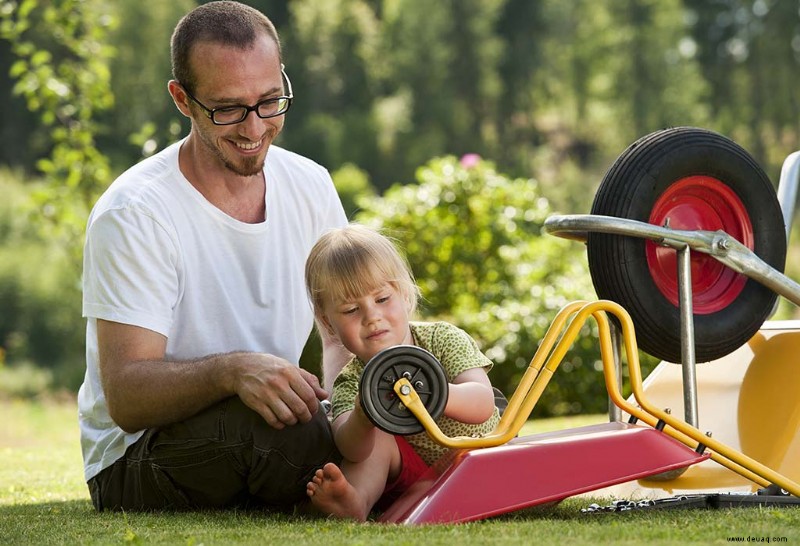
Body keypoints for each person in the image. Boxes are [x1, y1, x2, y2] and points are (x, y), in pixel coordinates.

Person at [78, 1, 351, 511]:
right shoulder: (135, 212)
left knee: (425, 398)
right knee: (274, 435)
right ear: (182, 99)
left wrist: (353, 403)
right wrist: (232, 372)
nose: (254, 129)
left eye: (270, 101)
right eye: (227, 109)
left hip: (279, 423)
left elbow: (341, 332)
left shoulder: (311, 184)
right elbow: (127, 397)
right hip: (139, 454)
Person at [303, 224, 501, 521]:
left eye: (382, 299)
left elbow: (483, 404)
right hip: (415, 472)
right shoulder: (352, 380)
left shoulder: (442, 339)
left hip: (477, 457)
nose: (372, 317)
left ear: (403, 293)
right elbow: (350, 448)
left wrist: (434, 392)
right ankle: (355, 502)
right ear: (327, 322)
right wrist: (362, 417)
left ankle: (430, 488)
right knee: (377, 435)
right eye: (350, 310)